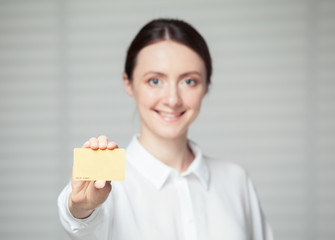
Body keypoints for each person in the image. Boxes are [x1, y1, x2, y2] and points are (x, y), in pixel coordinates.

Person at [58, 18, 274, 240]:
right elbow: (79, 220)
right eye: (154, 81)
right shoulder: (105, 186)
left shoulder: (236, 180)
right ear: (129, 83)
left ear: (206, 86)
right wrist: (81, 209)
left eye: (189, 81)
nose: (172, 99)